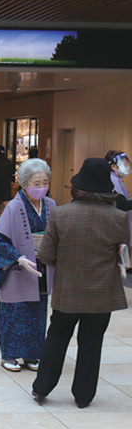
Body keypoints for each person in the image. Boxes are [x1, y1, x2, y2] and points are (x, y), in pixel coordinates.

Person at [33, 158, 130, 408]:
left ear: (77, 186)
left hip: (68, 291)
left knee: (57, 336)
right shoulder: (118, 218)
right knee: (91, 342)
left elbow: (45, 255)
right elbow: (123, 250)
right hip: (102, 293)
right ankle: (84, 396)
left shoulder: (60, 214)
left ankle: (42, 388)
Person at [0, 158, 55, 372]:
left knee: (37, 312)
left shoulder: (51, 206)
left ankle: (32, 354)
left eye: (45, 182)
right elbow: (0, 239)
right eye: (36, 183)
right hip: (18, 267)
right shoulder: (14, 207)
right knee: (15, 311)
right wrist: (18, 258)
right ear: (24, 183)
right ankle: (9, 355)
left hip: (41, 267)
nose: (41, 187)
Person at [105, 150, 132, 248]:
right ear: (113, 166)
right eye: (124, 164)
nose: (127, 167)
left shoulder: (116, 179)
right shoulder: (113, 180)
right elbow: (122, 204)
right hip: (116, 226)